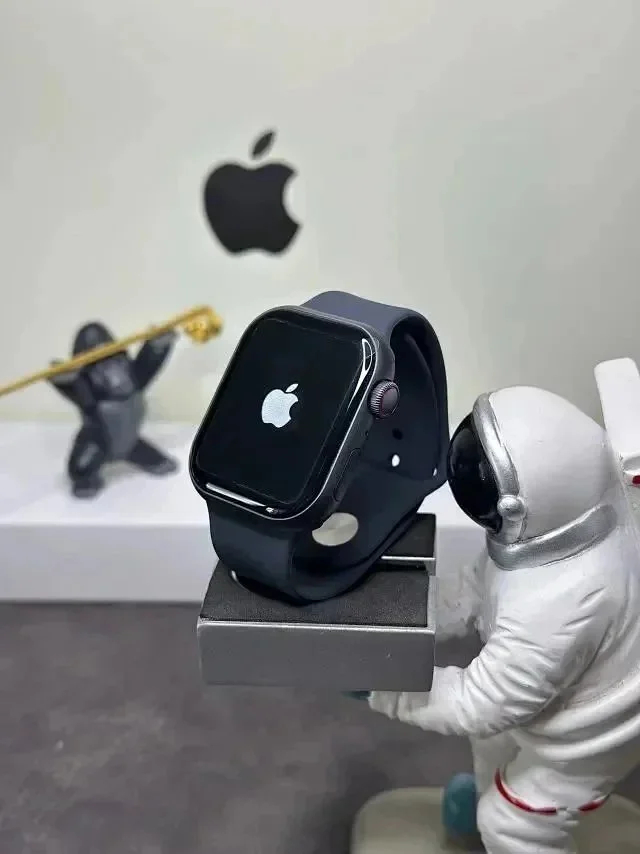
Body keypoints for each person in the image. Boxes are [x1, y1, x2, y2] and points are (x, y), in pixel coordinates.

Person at [368, 386, 640, 854]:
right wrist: (387, 619)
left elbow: (485, 700)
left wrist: (382, 688)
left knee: (512, 823)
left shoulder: (566, 597)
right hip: (558, 697)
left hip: (590, 738)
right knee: (492, 744)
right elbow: (470, 594)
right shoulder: (554, 524)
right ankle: (480, 804)